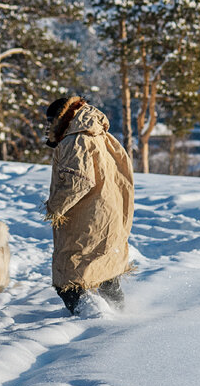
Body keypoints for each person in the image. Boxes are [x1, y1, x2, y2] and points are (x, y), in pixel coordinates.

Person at [44, 95, 134, 315]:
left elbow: (80, 181)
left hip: (88, 219)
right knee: (104, 272)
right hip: (108, 213)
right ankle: (122, 315)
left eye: (49, 122)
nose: (47, 128)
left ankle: (94, 320)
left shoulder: (75, 140)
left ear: (59, 119)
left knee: (68, 281)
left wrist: (55, 207)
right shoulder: (100, 134)